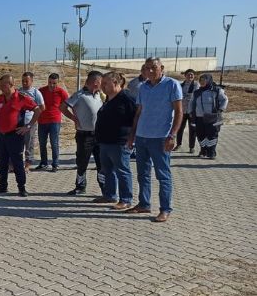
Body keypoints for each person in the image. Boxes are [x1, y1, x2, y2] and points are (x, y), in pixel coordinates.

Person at [126, 57, 182, 223]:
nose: (150, 71)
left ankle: (165, 209)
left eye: (153, 68)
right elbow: (138, 113)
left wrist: (172, 135)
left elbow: (179, 112)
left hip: (161, 138)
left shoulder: (172, 85)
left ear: (161, 68)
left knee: (163, 175)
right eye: (147, 68)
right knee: (142, 174)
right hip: (142, 137)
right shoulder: (143, 88)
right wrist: (132, 135)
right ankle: (144, 204)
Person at [0, 74, 42, 197]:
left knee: (17, 162)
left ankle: (21, 187)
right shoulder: (0, 98)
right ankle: (3, 185)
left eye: (3, 85)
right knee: (2, 162)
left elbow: (38, 110)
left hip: (15, 135)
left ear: (11, 85)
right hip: (2, 136)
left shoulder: (22, 98)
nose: (1, 88)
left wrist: (28, 126)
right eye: (0, 85)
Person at [95, 72, 136, 209]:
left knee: (122, 171)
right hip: (105, 141)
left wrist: (132, 137)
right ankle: (110, 195)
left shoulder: (127, 97)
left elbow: (137, 117)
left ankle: (126, 199)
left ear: (116, 83)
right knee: (108, 170)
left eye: (105, 83)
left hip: (120, 142)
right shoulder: (108, 98)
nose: (102, 86)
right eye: (102, 83)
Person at [62, 71, 105, 196]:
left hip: (99, 135)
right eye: (101, 82)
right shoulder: (79, 95)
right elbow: (63, 107)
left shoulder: (100, 95)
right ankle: (80, 186)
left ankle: (104, 187)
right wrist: (73, 118)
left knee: (101, 163)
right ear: (96, 82)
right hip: (84, 135)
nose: (102, 84)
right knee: (82, 162)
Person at [189, 73, 228, 160]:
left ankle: (211, 152)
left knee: (212, 134)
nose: (202, 82)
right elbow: (192, 103)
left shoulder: (217, 90)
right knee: (200, 134)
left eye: (204, 80)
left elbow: (225, 99)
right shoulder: (197, 92)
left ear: (209, 80)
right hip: (199, 117)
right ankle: (203, 150)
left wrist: (220, 110)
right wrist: (191, 112)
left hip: (212, 117)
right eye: (200, 80)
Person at [36, 73, 68, 172]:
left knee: (54, 143)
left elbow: (68, 103)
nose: (51, 85)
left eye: (54, 83)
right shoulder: (41, 91)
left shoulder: (61, 92)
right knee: (42, 143)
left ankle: (55, 164)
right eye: (50, 82)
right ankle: (43, 163)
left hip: (55, 121)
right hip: (42, 121)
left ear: (57, 82)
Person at [18, 72, 45, 172]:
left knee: (29, 144)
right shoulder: (18, 92)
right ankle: (16, 164)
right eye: (23, 81)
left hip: (30, 123)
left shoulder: (36, 93)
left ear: (31, 81)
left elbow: (42, 107)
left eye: (26, 81)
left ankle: (27, 165)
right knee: (18, 144)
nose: (24, 83)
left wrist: (34, 115)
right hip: (19, 122)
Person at [176, 69, 198, 153]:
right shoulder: (181, 85)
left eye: (192, 74)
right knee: (179, 128)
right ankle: (178, 144)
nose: (190, 76)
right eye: (188, 74)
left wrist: (185, 97)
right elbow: (179, 96)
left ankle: (191, 147)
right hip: (182, 110)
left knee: (192, 129)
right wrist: (186, 97)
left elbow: (193, 96)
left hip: (192, 111)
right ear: (185, 76)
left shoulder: (196, 85)